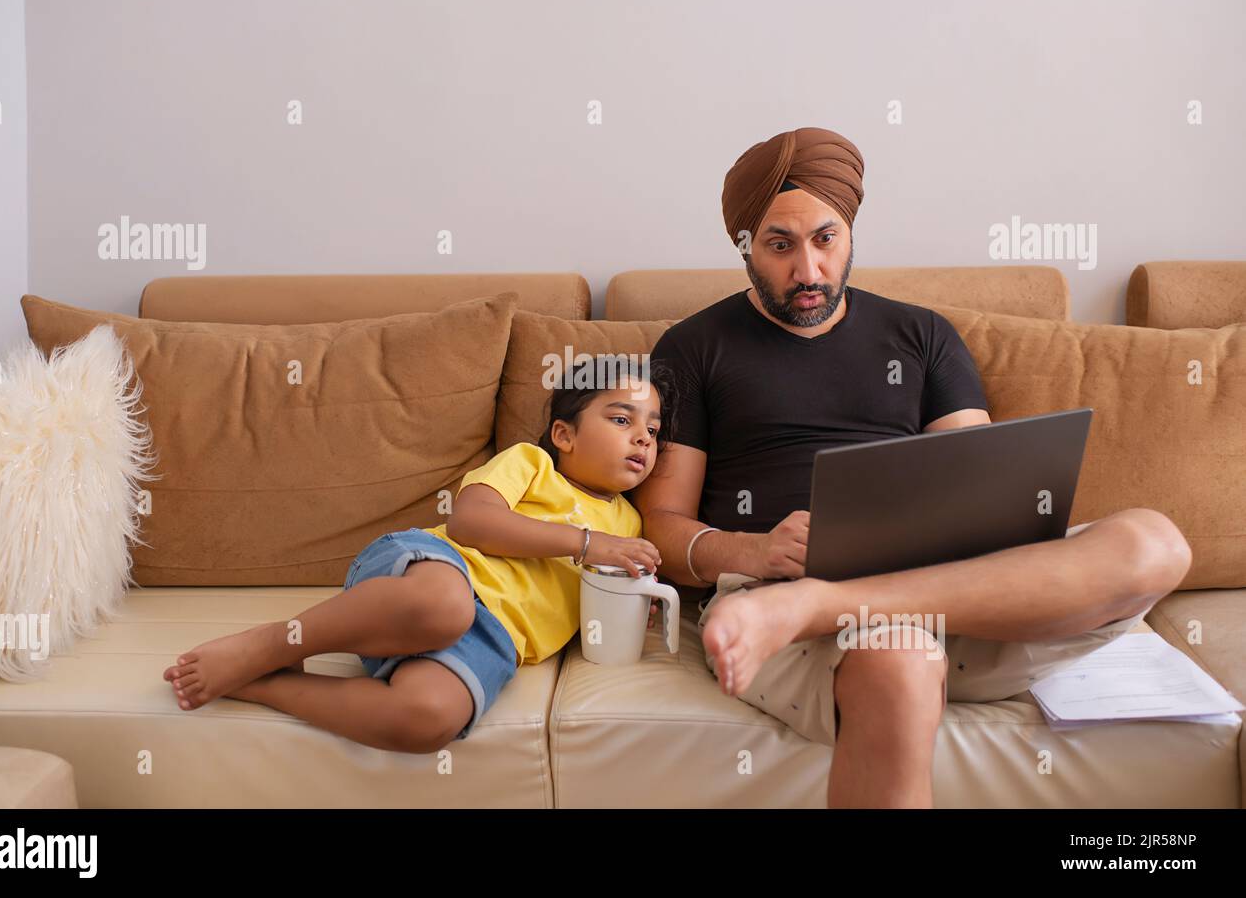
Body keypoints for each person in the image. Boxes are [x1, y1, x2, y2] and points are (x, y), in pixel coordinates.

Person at [634, 125, 1192, 807]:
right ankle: (817, 603)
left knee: (1155, 543)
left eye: (825, 239)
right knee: (900, 657)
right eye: (780, 246)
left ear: (850, 230)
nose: (808, 271)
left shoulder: (922, 336)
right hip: (784, 608)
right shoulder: (693, 347)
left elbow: (982, 488)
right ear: (746, 246)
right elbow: (659, 525)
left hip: (950, 597)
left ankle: (823, 602)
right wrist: (757, 549)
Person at [163, 355, 675, 752]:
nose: (642, 439)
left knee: (429, 718)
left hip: (494, 638)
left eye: (652, 430)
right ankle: (275, 644)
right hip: (431, 573)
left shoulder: (630, 524)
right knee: (444, 608)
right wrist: (587, 543)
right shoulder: (532, 464)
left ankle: (263, 684)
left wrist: (631, 603)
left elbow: (592, 611)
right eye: (621, 419)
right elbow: (470, 521)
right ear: (564, 434)